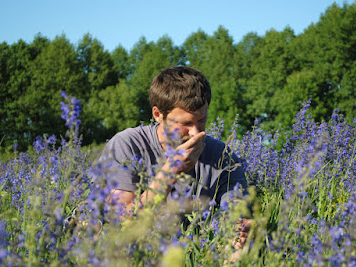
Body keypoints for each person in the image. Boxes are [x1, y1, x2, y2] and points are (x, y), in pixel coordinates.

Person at [97, 66, 251, 256]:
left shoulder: (222, 155)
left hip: (197, 252)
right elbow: (123, 219)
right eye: (185, 123)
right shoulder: (127, 145)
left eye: (201, 120)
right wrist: (170, 172)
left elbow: (237, 212)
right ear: (157, 114)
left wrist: (238, 230)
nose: (196, 132)